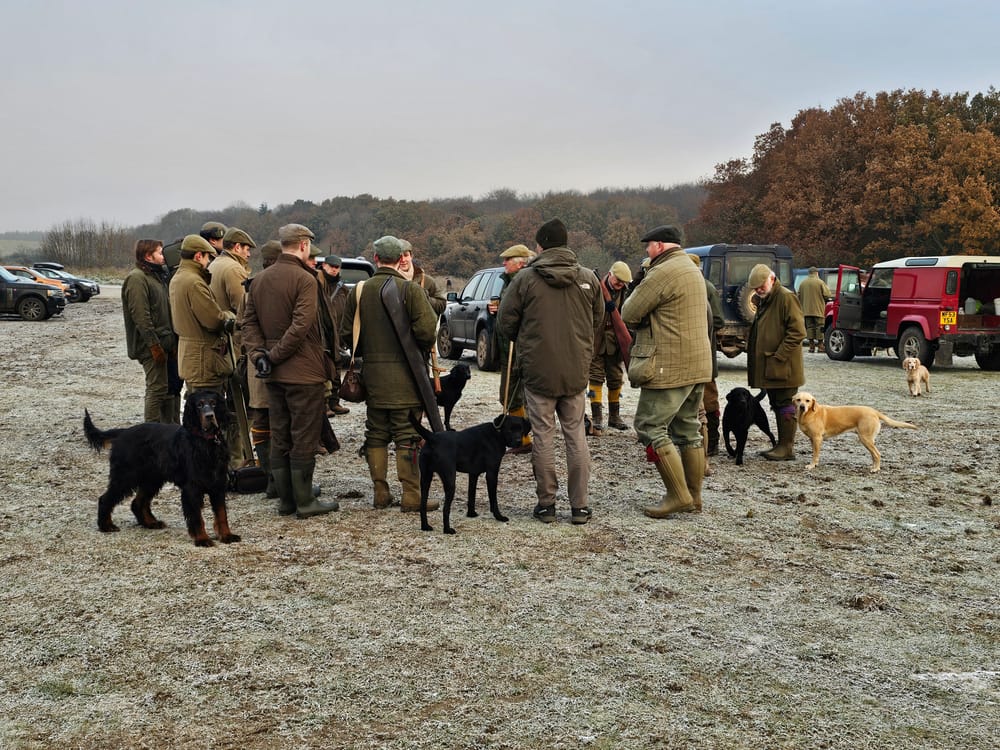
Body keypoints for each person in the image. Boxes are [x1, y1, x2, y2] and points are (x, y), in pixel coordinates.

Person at [497, 218, 603, 525]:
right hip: (575, 372)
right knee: (576, 436)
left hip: (538, 371)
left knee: (542, 435)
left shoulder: (526, 279)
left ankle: (546, 505)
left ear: (541, 245)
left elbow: (506, 321)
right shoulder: (589, 278)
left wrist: (527, 341)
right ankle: (580, 506)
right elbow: (597, 321)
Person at [241, 224, 339, 519]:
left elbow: (249, 324)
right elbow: (302, 325)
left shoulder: (259, 280)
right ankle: (305, 500)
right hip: (303, 371)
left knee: (280, 434)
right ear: (303, 245)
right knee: (304, 436)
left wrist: (260, 356)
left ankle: (287, 500)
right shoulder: (306, 280)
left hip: (273, 373)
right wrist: (272, 355)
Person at [340, 235, 439, 512]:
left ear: (375, 259)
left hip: (372, 378)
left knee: (376, 434)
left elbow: (347, 335)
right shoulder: (410, 291)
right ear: (400, 260)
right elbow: (427, 333)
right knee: (407, 435)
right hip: (408, 378)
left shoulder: (359, 291)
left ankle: (380, 493)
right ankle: (411, 496)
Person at [620, 226, 712, 518]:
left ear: (659, 245)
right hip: (697, 365)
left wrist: (642, 279)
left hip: (669, 365)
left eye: (648, 246)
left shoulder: (663, 272)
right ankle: (694, 497)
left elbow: (628, 312)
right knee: (687, 430)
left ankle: (677, 495)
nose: (646, 252)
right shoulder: (690, 268)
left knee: (650, 426)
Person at [746, 263, 806, 461]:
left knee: (786, 404)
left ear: (772, 279)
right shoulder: (766, 299)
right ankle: (781, 445)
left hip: (783, 365)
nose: (758, 290)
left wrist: (780, 356)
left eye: (761, 285)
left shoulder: (786, 298)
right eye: (755, 288)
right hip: (772, 364)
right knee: (777, 403)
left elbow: (797, 332)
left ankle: (786, 448)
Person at [168, 234, 236, 395]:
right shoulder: (194, 282)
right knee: (208, 410)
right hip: (204, 360)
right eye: (207, 258)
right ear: (198, 256)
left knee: (196, 407)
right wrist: (230, 315)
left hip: (192, 357)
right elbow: (213, 321)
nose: (209, 263)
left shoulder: (178, 278)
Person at [121, 238, 178, 423]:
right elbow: (141, 317)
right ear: (148, 255)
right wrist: (154, 345)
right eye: (160, 253)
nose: (163, 257)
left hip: (166, 344)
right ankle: (151, 432)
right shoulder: (137, 278)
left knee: (169, 389)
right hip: (151, 347)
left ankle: (169, 430)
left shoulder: (157, 277)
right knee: (157, 389)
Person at [489, 243, 535, 454]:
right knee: (510, 394)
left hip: (518, 348)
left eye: (507, 260)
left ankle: (523, 440)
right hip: (507, 347)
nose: (503, 263)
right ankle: (522, 438)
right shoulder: (509, 281)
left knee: (513, 394)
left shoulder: (523, 281)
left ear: (519, 263)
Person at [588, 260, 633, 434]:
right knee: (595, 377)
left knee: (615, 378)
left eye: (623, 283)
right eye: (617, 281)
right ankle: (597, 417)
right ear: (610, 274)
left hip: (615, 340)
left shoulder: (626, 292)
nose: (620, 285)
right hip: (596, 339)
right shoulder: (596, 286)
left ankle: (615, 417)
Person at [689, 253, 725, 458]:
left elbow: (718, 320)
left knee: (709, 398)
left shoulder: (707, 288)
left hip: (705, 350)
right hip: (693, 350)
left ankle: (712, 441)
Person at [317, 254, 351, 416]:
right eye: (331, 266)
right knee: (323, 371)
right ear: (324, 266)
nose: (334, 269)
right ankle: (323, 404)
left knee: (337, 370)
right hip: (322, 335)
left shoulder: (343, 288)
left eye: (337, 267)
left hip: (338, 336)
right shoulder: (317, 284)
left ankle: (334, 401)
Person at [399, 240, 446, 315]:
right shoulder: (388, 280)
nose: (403, 260)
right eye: (399, 256)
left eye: (406, 255)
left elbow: (442, 306)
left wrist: (425, 298)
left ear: (411, 256)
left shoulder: (427, 281)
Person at [798, 266, 833, 353]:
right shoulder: (820, 282)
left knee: (809, 327)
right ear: (816, 273)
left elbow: (798, 296)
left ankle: (811, 346)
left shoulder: (802, 283)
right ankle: (820, 346)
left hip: (806, 311)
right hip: (818, 310)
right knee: (820, 327)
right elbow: (827, 295)